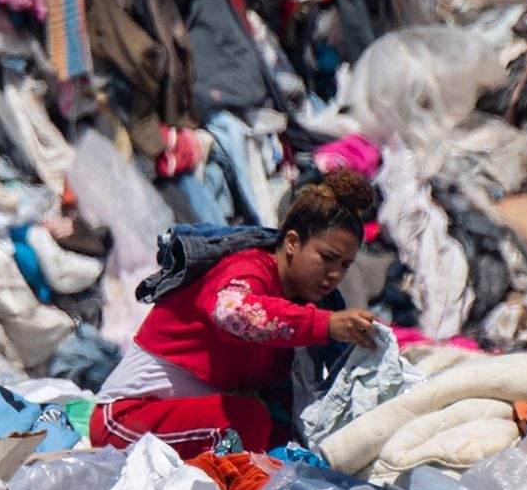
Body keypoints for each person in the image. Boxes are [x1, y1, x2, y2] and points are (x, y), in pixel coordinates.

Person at [90, 170, 384, 458]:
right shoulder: (248, 269)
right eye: (327, 258)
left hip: (180, 423)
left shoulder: (293, 306)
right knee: (247, 420)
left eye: (345, 265)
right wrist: (325, 324)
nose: (335, 274)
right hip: (123, 420)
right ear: (293, 242)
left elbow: (278, 400)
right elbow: (233, 312)